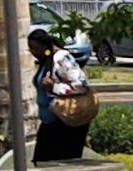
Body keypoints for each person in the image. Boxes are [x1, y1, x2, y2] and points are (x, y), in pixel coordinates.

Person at [30, 27, 98, 161]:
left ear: (45, 46)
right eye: (30, 48)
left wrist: (54, 87)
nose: (33, 52)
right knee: (43, 161)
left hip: (65, 121)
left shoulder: (61, 58)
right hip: (52, 121)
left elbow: (82, 85)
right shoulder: (47, 60)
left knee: (57, 162)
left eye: (35, 47)